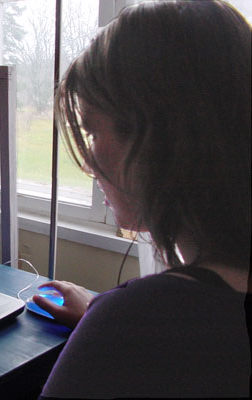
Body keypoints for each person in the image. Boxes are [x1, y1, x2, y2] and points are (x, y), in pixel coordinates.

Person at [34, 1, 251, 398]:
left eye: (92, 132)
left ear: (159, 139)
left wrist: (116, 327)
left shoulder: (136, 324)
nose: (89, 164)